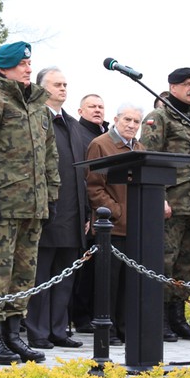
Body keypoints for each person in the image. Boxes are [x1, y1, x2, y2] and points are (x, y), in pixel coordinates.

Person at [0, 41, 60, 365]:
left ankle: (13, 336)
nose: (28, 68)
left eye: (29, 64)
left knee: (24, 272)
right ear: (4, 67)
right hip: (2, 204)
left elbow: (49, 154)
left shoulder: (36, 104)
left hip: (33, 203)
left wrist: (52, 194)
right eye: (21, 64)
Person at [141, 67, 190, 342]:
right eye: (186, 84)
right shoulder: (159, 118)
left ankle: (177, 316)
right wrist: (160, 198)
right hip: (171, 205)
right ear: (173, 88)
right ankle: (158, 319)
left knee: (188, 266)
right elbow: (149, 159)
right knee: (164, 263)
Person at [26, 68, 87, 350]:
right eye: (57, 84)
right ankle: (37, 331)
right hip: (46, 212)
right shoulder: (34, 118)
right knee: (41, 276)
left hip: (73, 215)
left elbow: (82, 174)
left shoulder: (73, 125)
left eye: (65, 84)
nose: (63, 88)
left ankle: (58, 329)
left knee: (65, 277)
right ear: (41, 87)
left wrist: (85, 213)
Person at [86, 102, 145, 346]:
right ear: (116, 119)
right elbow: (93, 186)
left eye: (136, 122)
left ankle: (125, 328)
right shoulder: (100, 144)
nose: (131, 125)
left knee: (128, 284)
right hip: (111, 226)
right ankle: (107, 330)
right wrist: (117, 211)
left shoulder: (140, 148)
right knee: (108, 284)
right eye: (127, 120)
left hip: (136, 227)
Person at [70, 93, 108, 335]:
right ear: (80, 110)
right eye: (92, 106)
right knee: (84, 269)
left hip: (106, 212)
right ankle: (80, 316)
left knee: (99, 271)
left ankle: (97, 314)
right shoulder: (78, 133)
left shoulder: (107, 136)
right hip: (87, 209)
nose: (97, 110)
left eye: (101, 106)